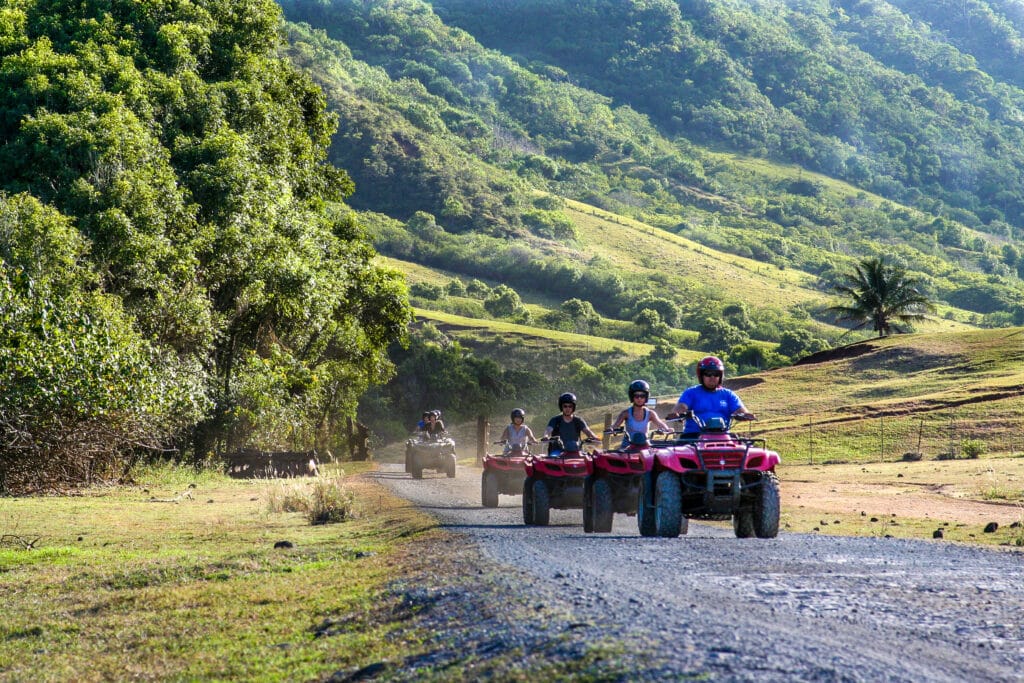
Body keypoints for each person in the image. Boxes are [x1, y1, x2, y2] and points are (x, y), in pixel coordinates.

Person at [667, 356, 755, 435]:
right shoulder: (691, 392)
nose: (712, 377)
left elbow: (741, 411)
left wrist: (745, 415)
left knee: (744, 450)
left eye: (716, 374)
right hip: (693, 437)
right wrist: (678, 413)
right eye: (708, 374)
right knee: (680, 450)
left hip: (723, 437)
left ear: (720, 376)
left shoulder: (729, 395)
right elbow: (680, 407)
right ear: (701, 375)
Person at [610, 379, 673, 448]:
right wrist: (612, 429)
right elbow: (615, 425)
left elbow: (660, 423)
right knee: (619, 457)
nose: (639, 398)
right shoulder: (625, 413)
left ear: (646, 397)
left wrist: (667, 429)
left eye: (642, 396)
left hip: (644, 444)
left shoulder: (650, 413)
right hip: (627, 445)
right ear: (632, 397)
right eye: (636, 396)